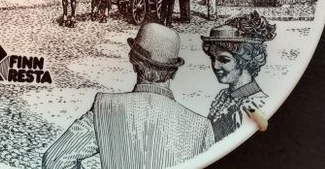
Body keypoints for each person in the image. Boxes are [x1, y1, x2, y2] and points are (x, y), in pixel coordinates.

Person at [43, 23, 214, 169]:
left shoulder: (106, 107)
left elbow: (54, 160)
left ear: (134, 64)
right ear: (174, 72)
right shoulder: (201, 127)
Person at [201, 11, 276, 142]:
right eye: (213, 58)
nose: (215, 66)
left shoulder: (256, 103)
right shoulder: (223, 95)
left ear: (244, 61)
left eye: (224, 60)